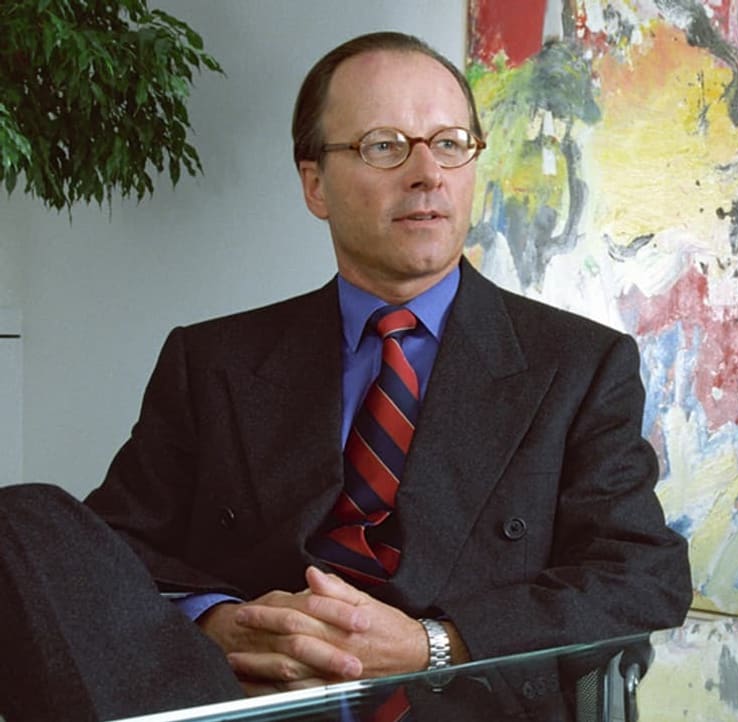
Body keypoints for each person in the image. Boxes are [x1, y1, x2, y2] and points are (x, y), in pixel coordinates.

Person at [0, 31, 691, 720]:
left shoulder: (578, 364)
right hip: (246, 706)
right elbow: (113, 552)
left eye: (449, 143)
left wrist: (436, 644)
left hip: (469, 705)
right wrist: (215, 621)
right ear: (314, 185)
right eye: (384, 146)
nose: (427, 174)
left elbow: (640, 576)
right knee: (25, 521)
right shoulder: (211, 360)